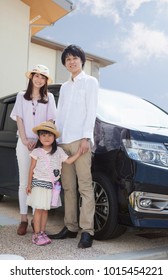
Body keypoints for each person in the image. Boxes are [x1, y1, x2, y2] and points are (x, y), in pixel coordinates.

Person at [48, 45, 99, 248]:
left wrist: (86, 138)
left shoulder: (90, 82)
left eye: (74, 58)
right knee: (68, 187)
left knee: (85, 186)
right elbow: (60, 115)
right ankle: (70, 227)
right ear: (65, 63)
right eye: (67, 59)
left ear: (82, 60)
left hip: (80, 141)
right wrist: (56, 142)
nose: (71, 62)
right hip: (64, 142)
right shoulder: (64, 87)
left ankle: (87, 231)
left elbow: (91, 111)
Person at [10, 64, 56, 236]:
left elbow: (51, 121)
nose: (39, 79)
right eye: (36, 76)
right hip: (23, 143)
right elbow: (19, 119)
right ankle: (23, 219)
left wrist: (38, 140)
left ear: (45, 81)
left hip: (41, 144)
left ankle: (37, 221)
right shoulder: (21, 96)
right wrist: (24, 139)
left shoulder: (49, 97)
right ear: (31, 77)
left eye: (43, 77)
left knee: (38, 182)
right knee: (24, 182)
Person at [26, 121, 82, 246]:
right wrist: (29, 184)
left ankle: (42, 232)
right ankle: (36, 234)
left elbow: (68, 161)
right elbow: (31, 168)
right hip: (39, 184)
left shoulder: (59, 151)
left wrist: (78, 153)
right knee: (38, 210)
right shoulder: (36, 152)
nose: (46, 138)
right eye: (43, 135)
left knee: (46, 210)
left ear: (54, 137)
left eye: (50, 135)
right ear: (39, 137)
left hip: (51, 186)